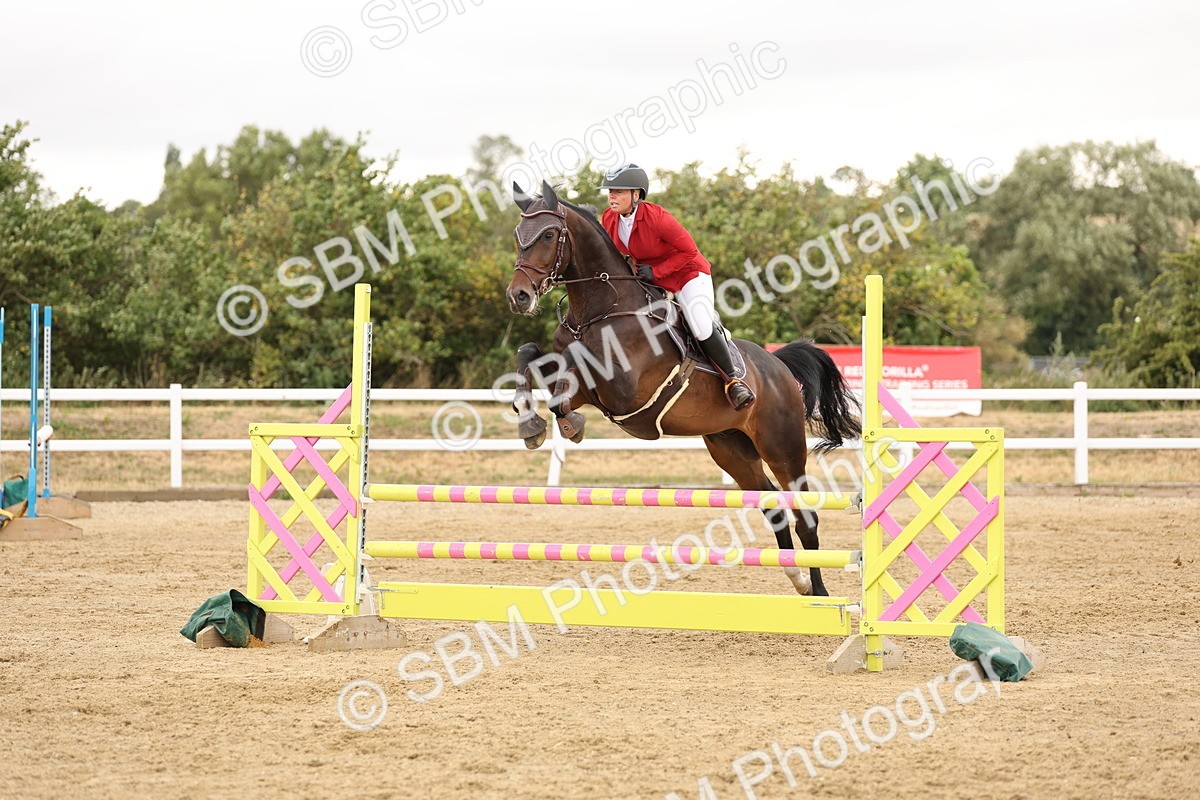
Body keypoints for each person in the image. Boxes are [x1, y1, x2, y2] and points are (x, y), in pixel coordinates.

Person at [598, 163, 755, 411]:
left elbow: (689, 251)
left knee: (700, 327)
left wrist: (657, 272)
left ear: (636, 195)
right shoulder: (609, 219)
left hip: (688, 276)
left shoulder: (657, 218)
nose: (612, 196)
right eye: (610, 191)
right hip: (650, 281)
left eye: (618, 191)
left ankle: (733, 380)